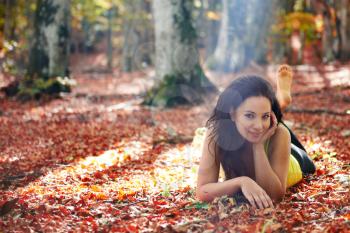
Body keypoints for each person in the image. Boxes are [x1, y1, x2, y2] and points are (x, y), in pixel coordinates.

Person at [196, 65, 316, 209]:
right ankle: (277, 104)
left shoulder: (279, 133)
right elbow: (202, 191)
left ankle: (278, 104)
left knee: (276, 128)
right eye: (249, 115)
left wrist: (258, 146)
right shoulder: (216, 132)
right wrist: (242, 182)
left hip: (295, 160)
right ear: (232, 113)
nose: (259, 126)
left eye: (265, 116)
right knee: (261, 123)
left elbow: (275, 196)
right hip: (258, 131)